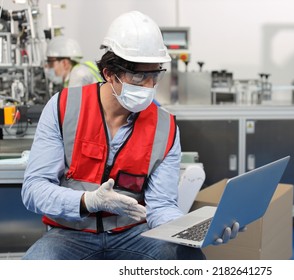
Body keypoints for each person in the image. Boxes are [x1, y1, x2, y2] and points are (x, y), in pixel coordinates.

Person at [21, 10, 243, 260]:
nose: (148, 86)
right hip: (69, 235)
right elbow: (34, 190)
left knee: (187, 259)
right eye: (138, 76)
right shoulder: (63, 107)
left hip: (134, 234)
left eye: (154, 75)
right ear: (108, 73)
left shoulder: (165, 127)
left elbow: (160, 206)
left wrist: (194, 230)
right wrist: (88, 201)